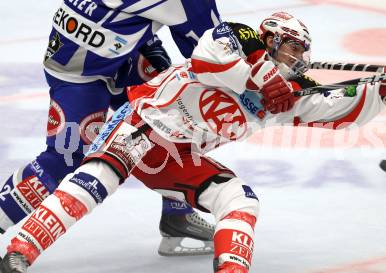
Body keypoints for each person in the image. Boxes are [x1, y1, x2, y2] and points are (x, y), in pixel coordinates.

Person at [0, 11, 386, 273]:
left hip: (178, 156)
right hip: (141, 125)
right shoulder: (233, 42)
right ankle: (19, 253)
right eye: (291, 51)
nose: (297, 61)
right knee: (93, 181)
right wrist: (262, 78)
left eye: (301, 55)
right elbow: (212, 55)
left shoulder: (287, 96)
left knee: (241, 201)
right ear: (271, 43)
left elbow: (342, 112)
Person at [0, 0, 224, 257]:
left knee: (169, 119)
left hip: (117, 52)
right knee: (64, 159)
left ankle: (177, 215)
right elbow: (217, 56)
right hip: (80, 70)